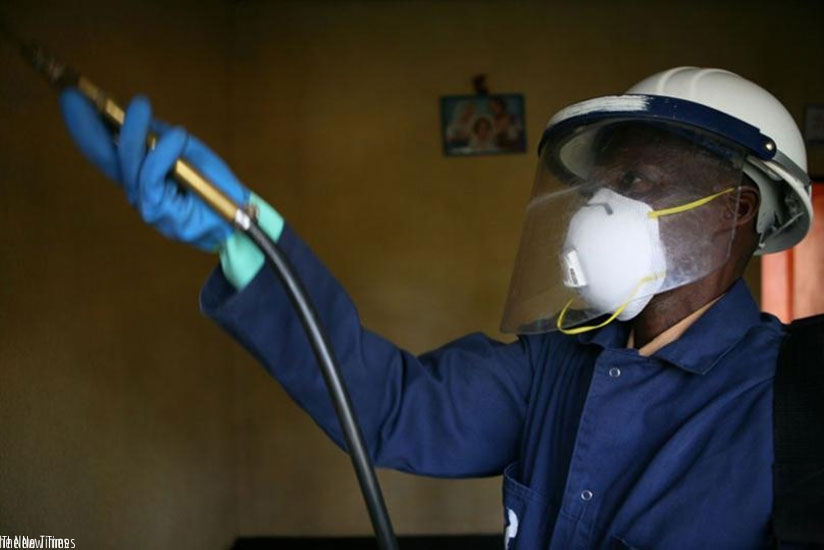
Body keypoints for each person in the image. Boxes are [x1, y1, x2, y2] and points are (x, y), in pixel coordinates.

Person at [59, 66, 813, 549]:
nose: (601, 209)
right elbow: (386, 405)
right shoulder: (553, 367)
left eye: (638, 182)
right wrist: (249, 239)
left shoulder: (795, 402)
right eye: (597, 189)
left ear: (733, 211)